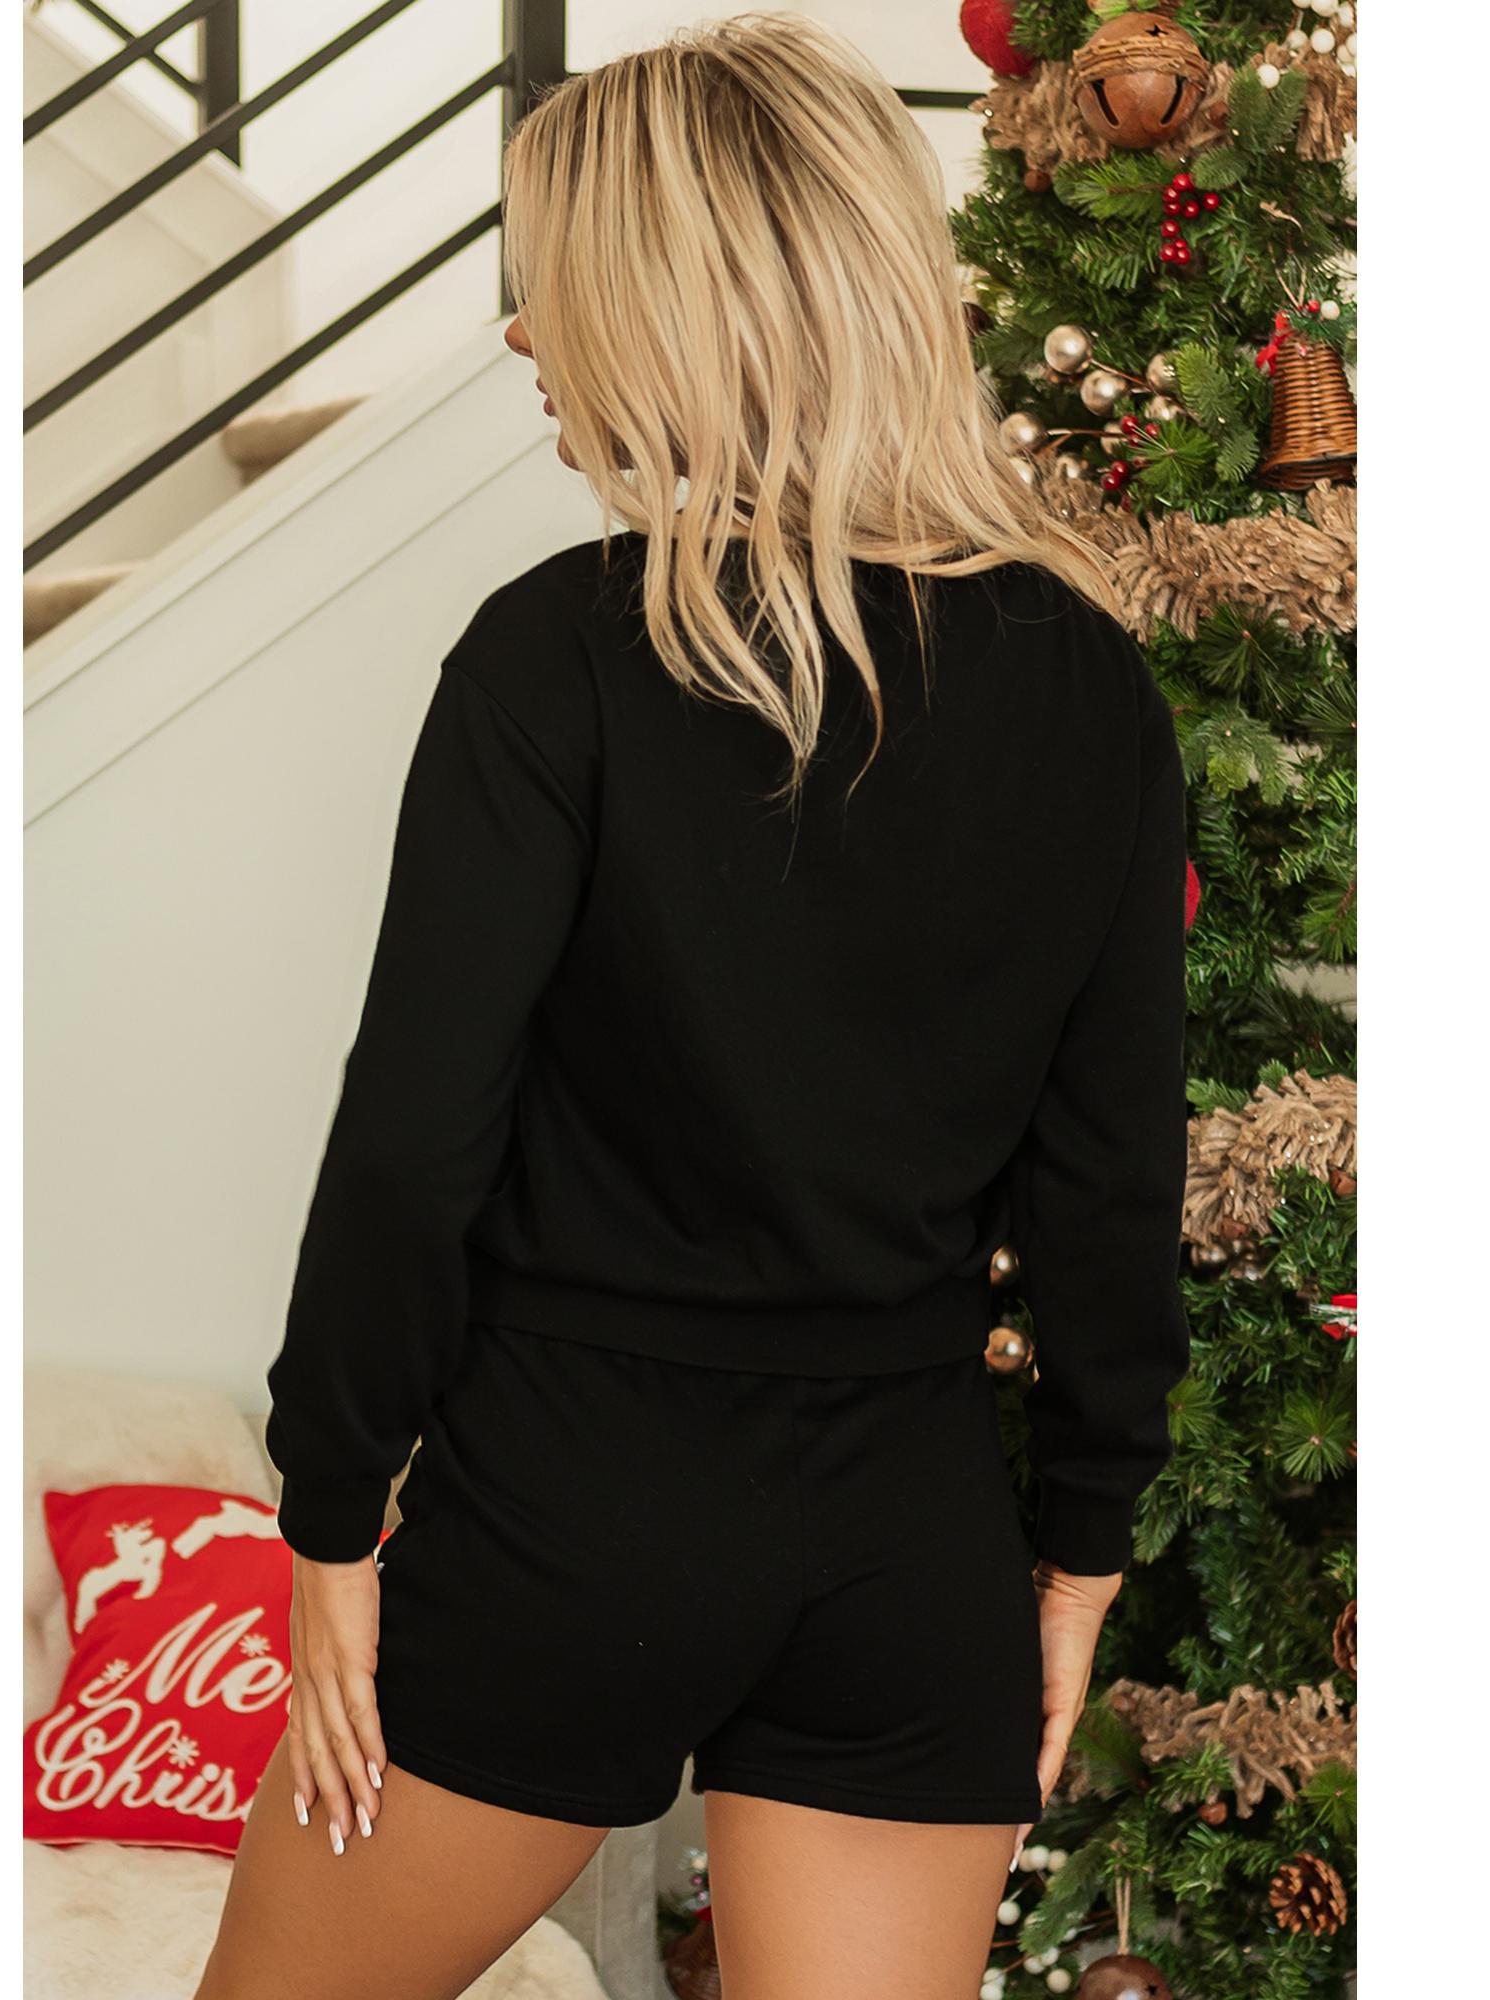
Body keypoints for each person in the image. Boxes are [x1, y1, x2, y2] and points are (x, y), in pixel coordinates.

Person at [193, 13, 1191, 1999]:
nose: (519, 333)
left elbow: (412, 1142)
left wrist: (329, 1520)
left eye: (550, 284)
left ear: (684, 306)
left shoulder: (555, 659)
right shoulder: (1089, 686)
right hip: (906, 1541)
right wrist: (1081, 1543)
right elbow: (1109, 1182)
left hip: (566, 1516)